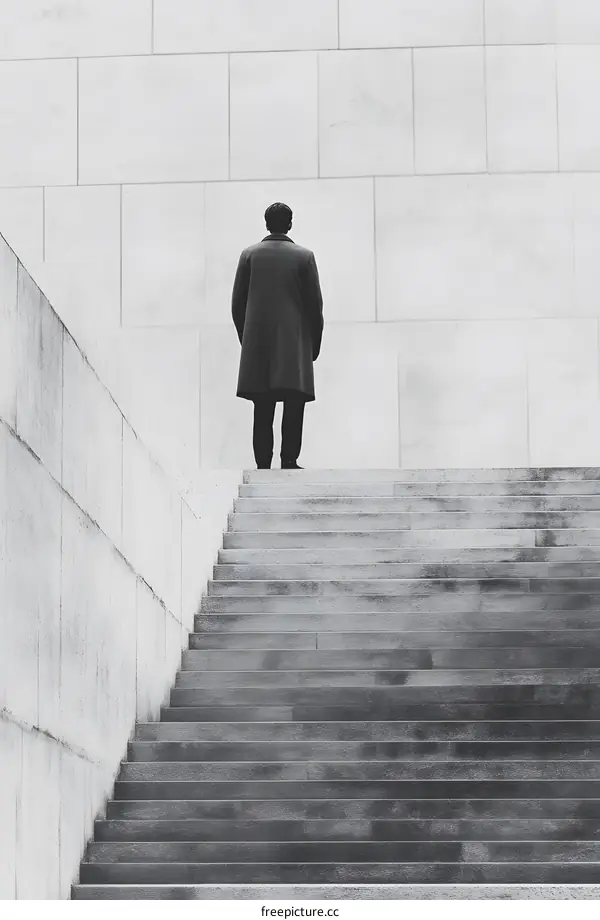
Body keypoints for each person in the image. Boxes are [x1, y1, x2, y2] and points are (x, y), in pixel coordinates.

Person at [231, 202, 324, 470]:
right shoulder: (304, 257)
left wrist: (247, 339)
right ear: (290, 224)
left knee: (262, 406)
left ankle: (263, 464)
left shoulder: (249, 255)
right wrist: (313, 345)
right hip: (294, 345)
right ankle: (289, 460)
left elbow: (237, 305)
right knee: (294, 404)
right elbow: (315, 307)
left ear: (266, 223)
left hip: (258, 345)